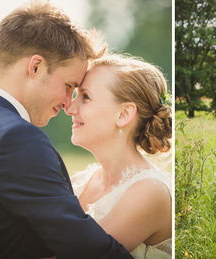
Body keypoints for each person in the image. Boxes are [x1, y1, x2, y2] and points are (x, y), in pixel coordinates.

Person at [0, 0, 132, 258]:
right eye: (69, 86)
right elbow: (85, 248)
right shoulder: (17, 138)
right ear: (35, 67)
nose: (69, 103)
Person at [66, 53, 172, 258]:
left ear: (123, 114)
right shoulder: (81, 180)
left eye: (85, 97)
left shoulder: (150, 192)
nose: (70, 107)